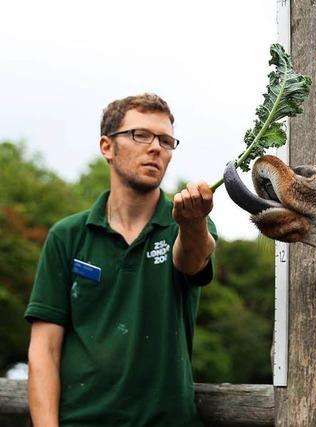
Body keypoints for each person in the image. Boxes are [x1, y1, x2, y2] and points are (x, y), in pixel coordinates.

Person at [24, 93, 216, 427]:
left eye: (166, 140)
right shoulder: (67, 236)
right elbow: (44, 351)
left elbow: (193, 260)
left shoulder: (185, 226)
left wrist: (194, 222)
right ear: (107, 147)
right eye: (140, 135)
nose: (155, 147)